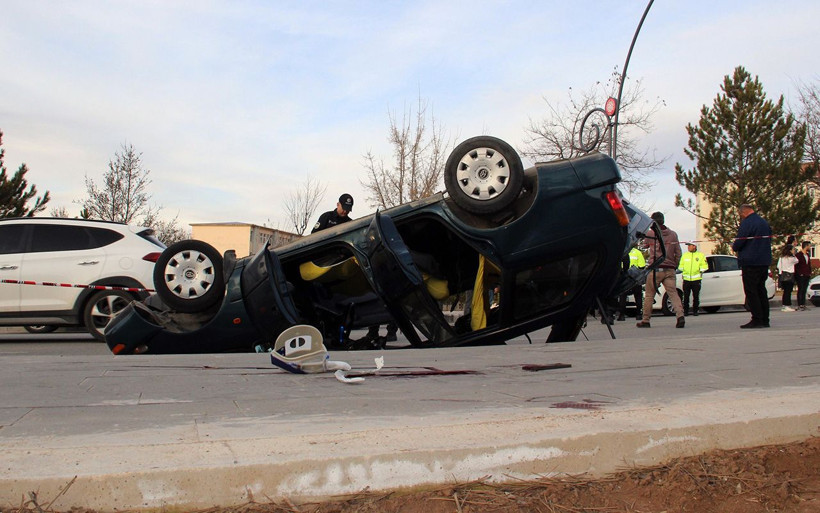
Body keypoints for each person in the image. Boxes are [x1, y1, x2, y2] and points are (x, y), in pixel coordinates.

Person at [637, 212, 685, 329]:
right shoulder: (673, 235)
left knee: (649, 295)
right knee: (673, 294)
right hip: (670, 270)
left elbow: (642, 246)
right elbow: (678, 252)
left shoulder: (651, 233)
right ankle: (680, 315)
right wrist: (674, 265)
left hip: (655, 270)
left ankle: (646, 319)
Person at [731, 204, 772, 328]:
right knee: (761, 290)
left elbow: (740, 241)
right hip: (764, 261)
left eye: (741, 215)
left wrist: (735, 247)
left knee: (751, 291)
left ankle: (757, 319)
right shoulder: (764, 222)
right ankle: (765, 319)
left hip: (750, 261)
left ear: (743, 213)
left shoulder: (747, 223)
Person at [678, 242, 708, 316]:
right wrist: (684, 270)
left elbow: (705, 266)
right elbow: (680, 266)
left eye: (689, 246)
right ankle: (685, 311)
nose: (688, 247)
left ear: (694, 246)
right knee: (686, 296)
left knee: (696, 296)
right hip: (686, 279)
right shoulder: (685, 255)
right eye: (688, 246)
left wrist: (699, 270)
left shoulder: (700, 255)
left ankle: (695, 311)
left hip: (696, 279)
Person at [617, 246, 645, 321]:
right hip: (635, 276)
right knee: (638, 296)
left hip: (625, 276)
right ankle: (639, 314)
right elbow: (642, 266)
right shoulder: (637, 252)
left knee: (623, 296)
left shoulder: (623, 252)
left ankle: (621, 315)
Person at [776, 244, 798, 312]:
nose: (794, 251)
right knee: (788, 292)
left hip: (783, 275)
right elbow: (797, 261)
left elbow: (778, 266)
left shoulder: (781, 258)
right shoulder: (792, 258)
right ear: (790, 250)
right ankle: (787, 305)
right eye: (793, 249)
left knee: (785, 292)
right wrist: (794, 254)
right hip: (789, 275)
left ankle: (784, 305)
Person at [795, 240, 813, 311]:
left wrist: (809, 272)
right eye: (809, 245)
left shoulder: (807, 255)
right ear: (806, 246)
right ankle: (800, 305)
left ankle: (803, 304)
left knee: (804, 290)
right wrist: (799, 273)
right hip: (800, 275)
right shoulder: (798, 255)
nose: (810, 247)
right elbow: (796, 266)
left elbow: (808, 265)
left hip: (807, 274)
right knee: (801, 289)